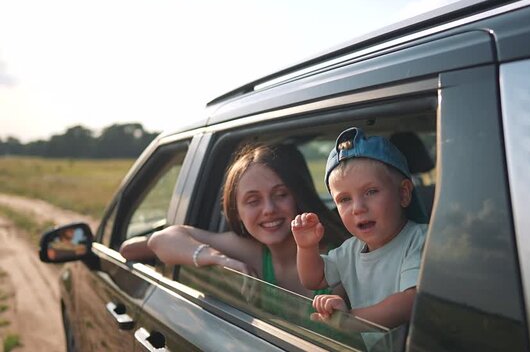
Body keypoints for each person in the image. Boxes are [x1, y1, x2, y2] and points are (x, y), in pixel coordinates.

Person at [125, 143, 349, 297]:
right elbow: (154, 242)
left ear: (298, 196)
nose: (269, 209)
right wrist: (219, 260)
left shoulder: (343, 256)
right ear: (237, 211)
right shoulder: (251, 253)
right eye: (253, 201)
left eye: (281, 195)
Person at [291, 127, 427, 329]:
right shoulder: (350, 250)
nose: (358, 208)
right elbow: (314, 279)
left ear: (403, 194)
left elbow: (409, 303)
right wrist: (306, 247)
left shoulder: (419, 239)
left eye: (371, 192)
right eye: (344, 199)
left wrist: (350, 320)